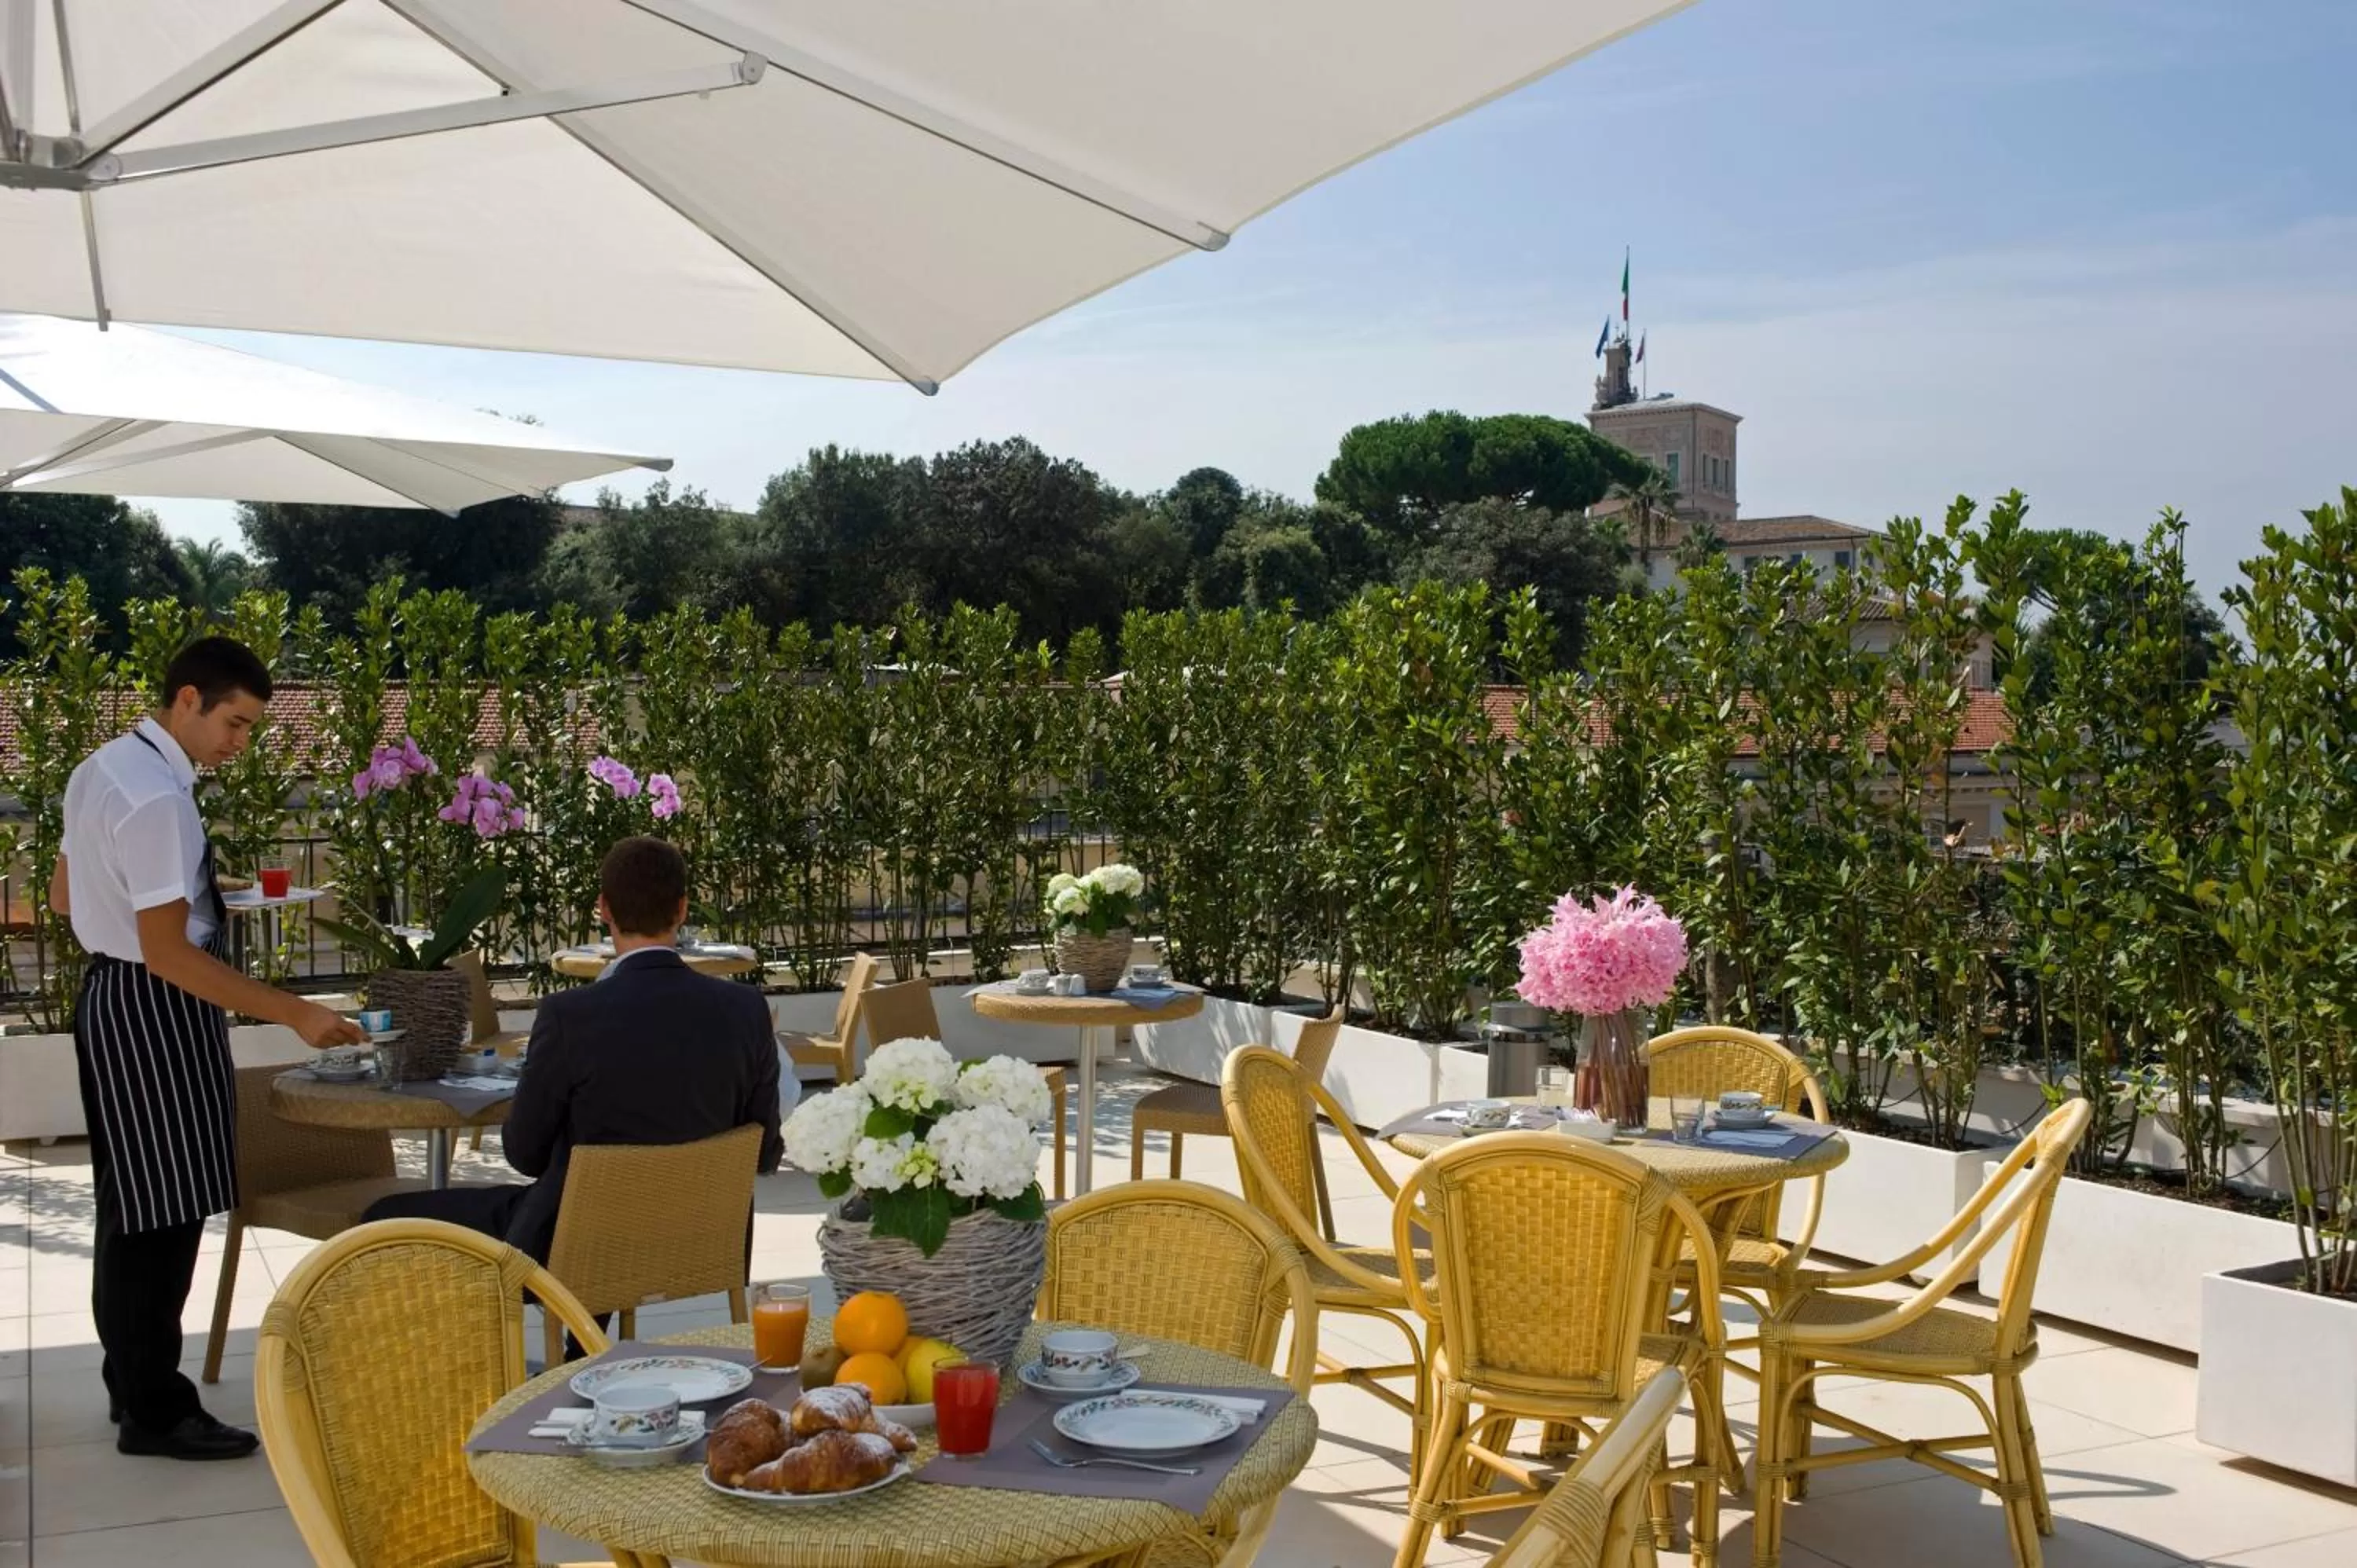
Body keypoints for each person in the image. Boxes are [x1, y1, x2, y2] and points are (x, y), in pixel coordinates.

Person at [53, 636, 366, 1461]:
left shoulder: (102, 767)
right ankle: (157, 1409)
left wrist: (188, 894)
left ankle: (135, 1386)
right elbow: (169, 953)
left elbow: (65, 891)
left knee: (136, 1204)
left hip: (110, 997)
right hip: (157, 1001)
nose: (241, 742)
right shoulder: (158, 797)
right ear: (186, 698)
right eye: (235, 722)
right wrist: (294, 1012)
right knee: (166, 1210)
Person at [365, 836, 783, 1280]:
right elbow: (763, 1152)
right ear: (682, 909)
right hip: (699, 1244)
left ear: (604, 909)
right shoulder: (746, 1010)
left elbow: (525, 1155)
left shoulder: (569, 1016)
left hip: (572, 1249)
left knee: (383, 1218)